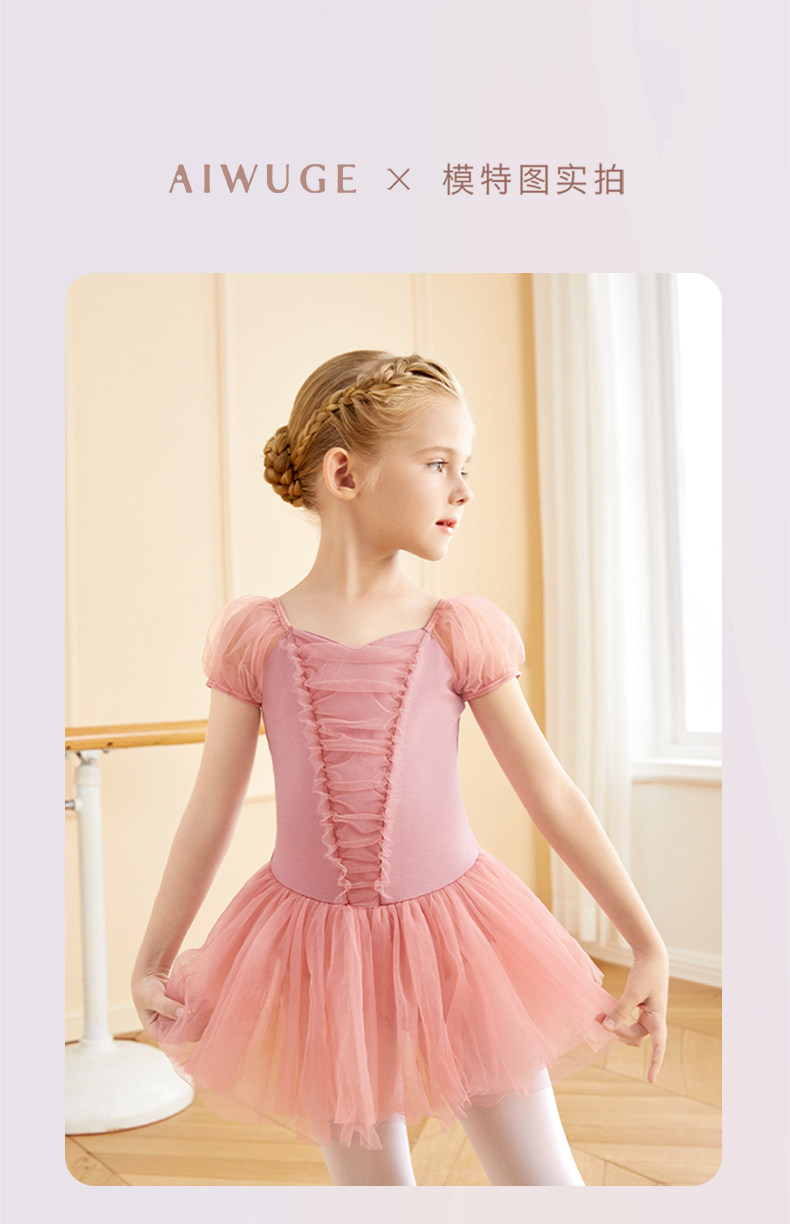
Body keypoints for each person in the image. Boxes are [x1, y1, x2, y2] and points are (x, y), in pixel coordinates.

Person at [132, 350, 668, 1187]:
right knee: (371, 1191)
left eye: (466, 467)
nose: (465, 489)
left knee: (543, 1183)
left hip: (460, 938)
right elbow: (211, 810)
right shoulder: (257, 639)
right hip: (315, 950)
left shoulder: (457, 630)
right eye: (438, 464)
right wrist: (154, 957)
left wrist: (645, 940)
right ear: (345, 474)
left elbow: (550, 792)